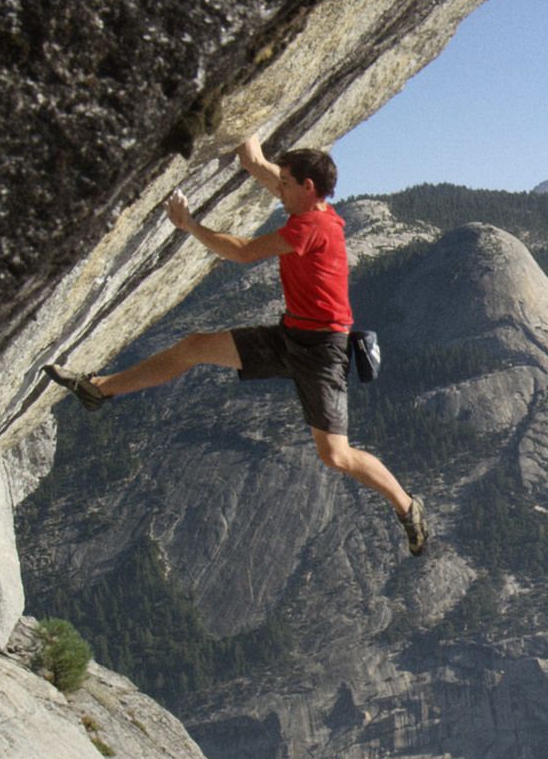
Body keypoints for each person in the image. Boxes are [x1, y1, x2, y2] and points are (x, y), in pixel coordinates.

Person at [43, 136, 430, 556]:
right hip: (290, 335)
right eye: (278, 181)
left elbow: (245, 253)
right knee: (193, 346)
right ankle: (98, 389)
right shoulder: (313, 207)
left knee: (335, 456)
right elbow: (265, 171)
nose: (278, 188)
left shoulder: (312, 226)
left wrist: (189, 224)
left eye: (285, 183)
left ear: (308, 189)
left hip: (322, 351)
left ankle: (407, 507)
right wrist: (252, 157)